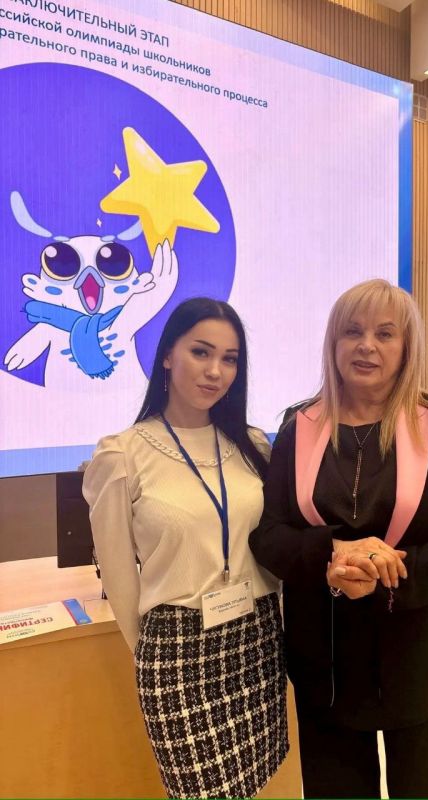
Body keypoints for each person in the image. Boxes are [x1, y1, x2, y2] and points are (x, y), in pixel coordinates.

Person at [249, 279, 428, 799]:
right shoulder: (298, 426)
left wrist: (388, 573)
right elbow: (270, 535)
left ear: (407, 346)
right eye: (353, 332)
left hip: (427, 661)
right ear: (333, 343)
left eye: (385, 334)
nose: (367, 345)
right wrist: (331, 555)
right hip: (328, 667)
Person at [83, 297, 288, 800]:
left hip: (257, 639)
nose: (215, 371)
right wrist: (152, 654)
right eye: (201, 352)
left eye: (229, 358)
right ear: (167, 356)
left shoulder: (253, 446)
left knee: (253, 783)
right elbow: (118, 575)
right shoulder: (123, 454)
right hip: (177, 650)